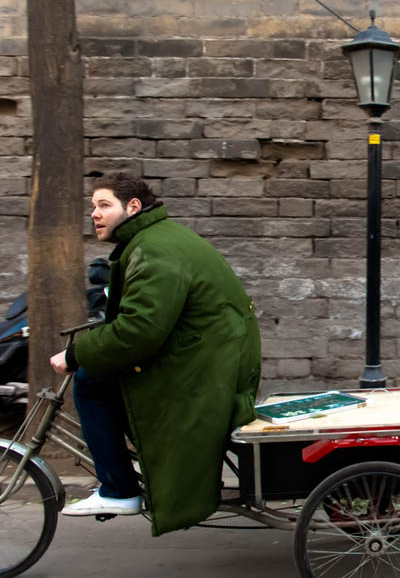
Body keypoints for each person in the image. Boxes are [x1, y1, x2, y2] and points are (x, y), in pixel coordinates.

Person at [49, 173, 261, 536]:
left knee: (89, 381)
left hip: (206, 365)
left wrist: (75, 355)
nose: (95, 215)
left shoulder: (152, 249)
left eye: (103, 205)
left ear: (132, 207)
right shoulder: (153, 240)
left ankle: (118, 490)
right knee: (104, 379)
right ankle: (129, 477)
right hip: (210, 355)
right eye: (93, 207)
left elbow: (140, 330)